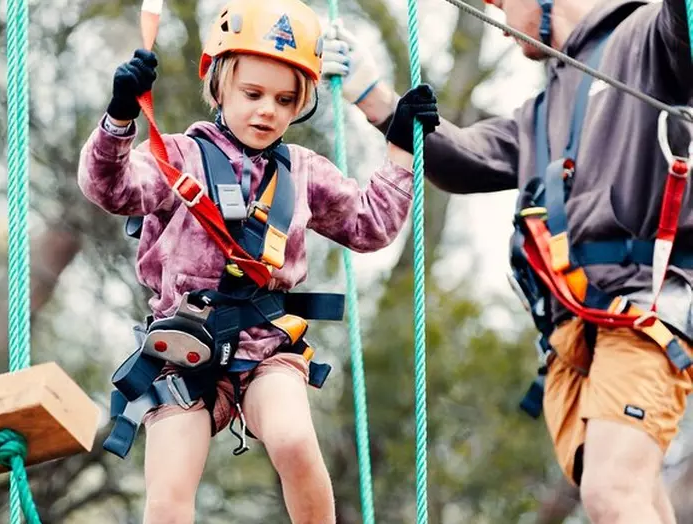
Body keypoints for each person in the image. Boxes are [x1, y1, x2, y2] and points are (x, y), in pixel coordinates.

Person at [323, 1, 692, 523]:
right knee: (635, 492)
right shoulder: (542, 112)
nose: (495, 22)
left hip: (643, 307)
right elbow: (466, 157)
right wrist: (374, 96)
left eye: (498, 3)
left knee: (613, 493)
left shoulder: (648, 36)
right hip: (573, 332)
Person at [77, 0, 440, 522]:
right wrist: (119, 118)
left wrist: (401, 147)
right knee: (167, 497)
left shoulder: (303, 172)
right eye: (253, 94)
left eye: (284, 99)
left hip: (266, 345)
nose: (267, 110)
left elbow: (370, 226)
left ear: (301, 104)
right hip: (183, 350)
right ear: (219, 87)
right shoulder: (178, 157)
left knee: (294, 440)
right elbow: (109, 188)